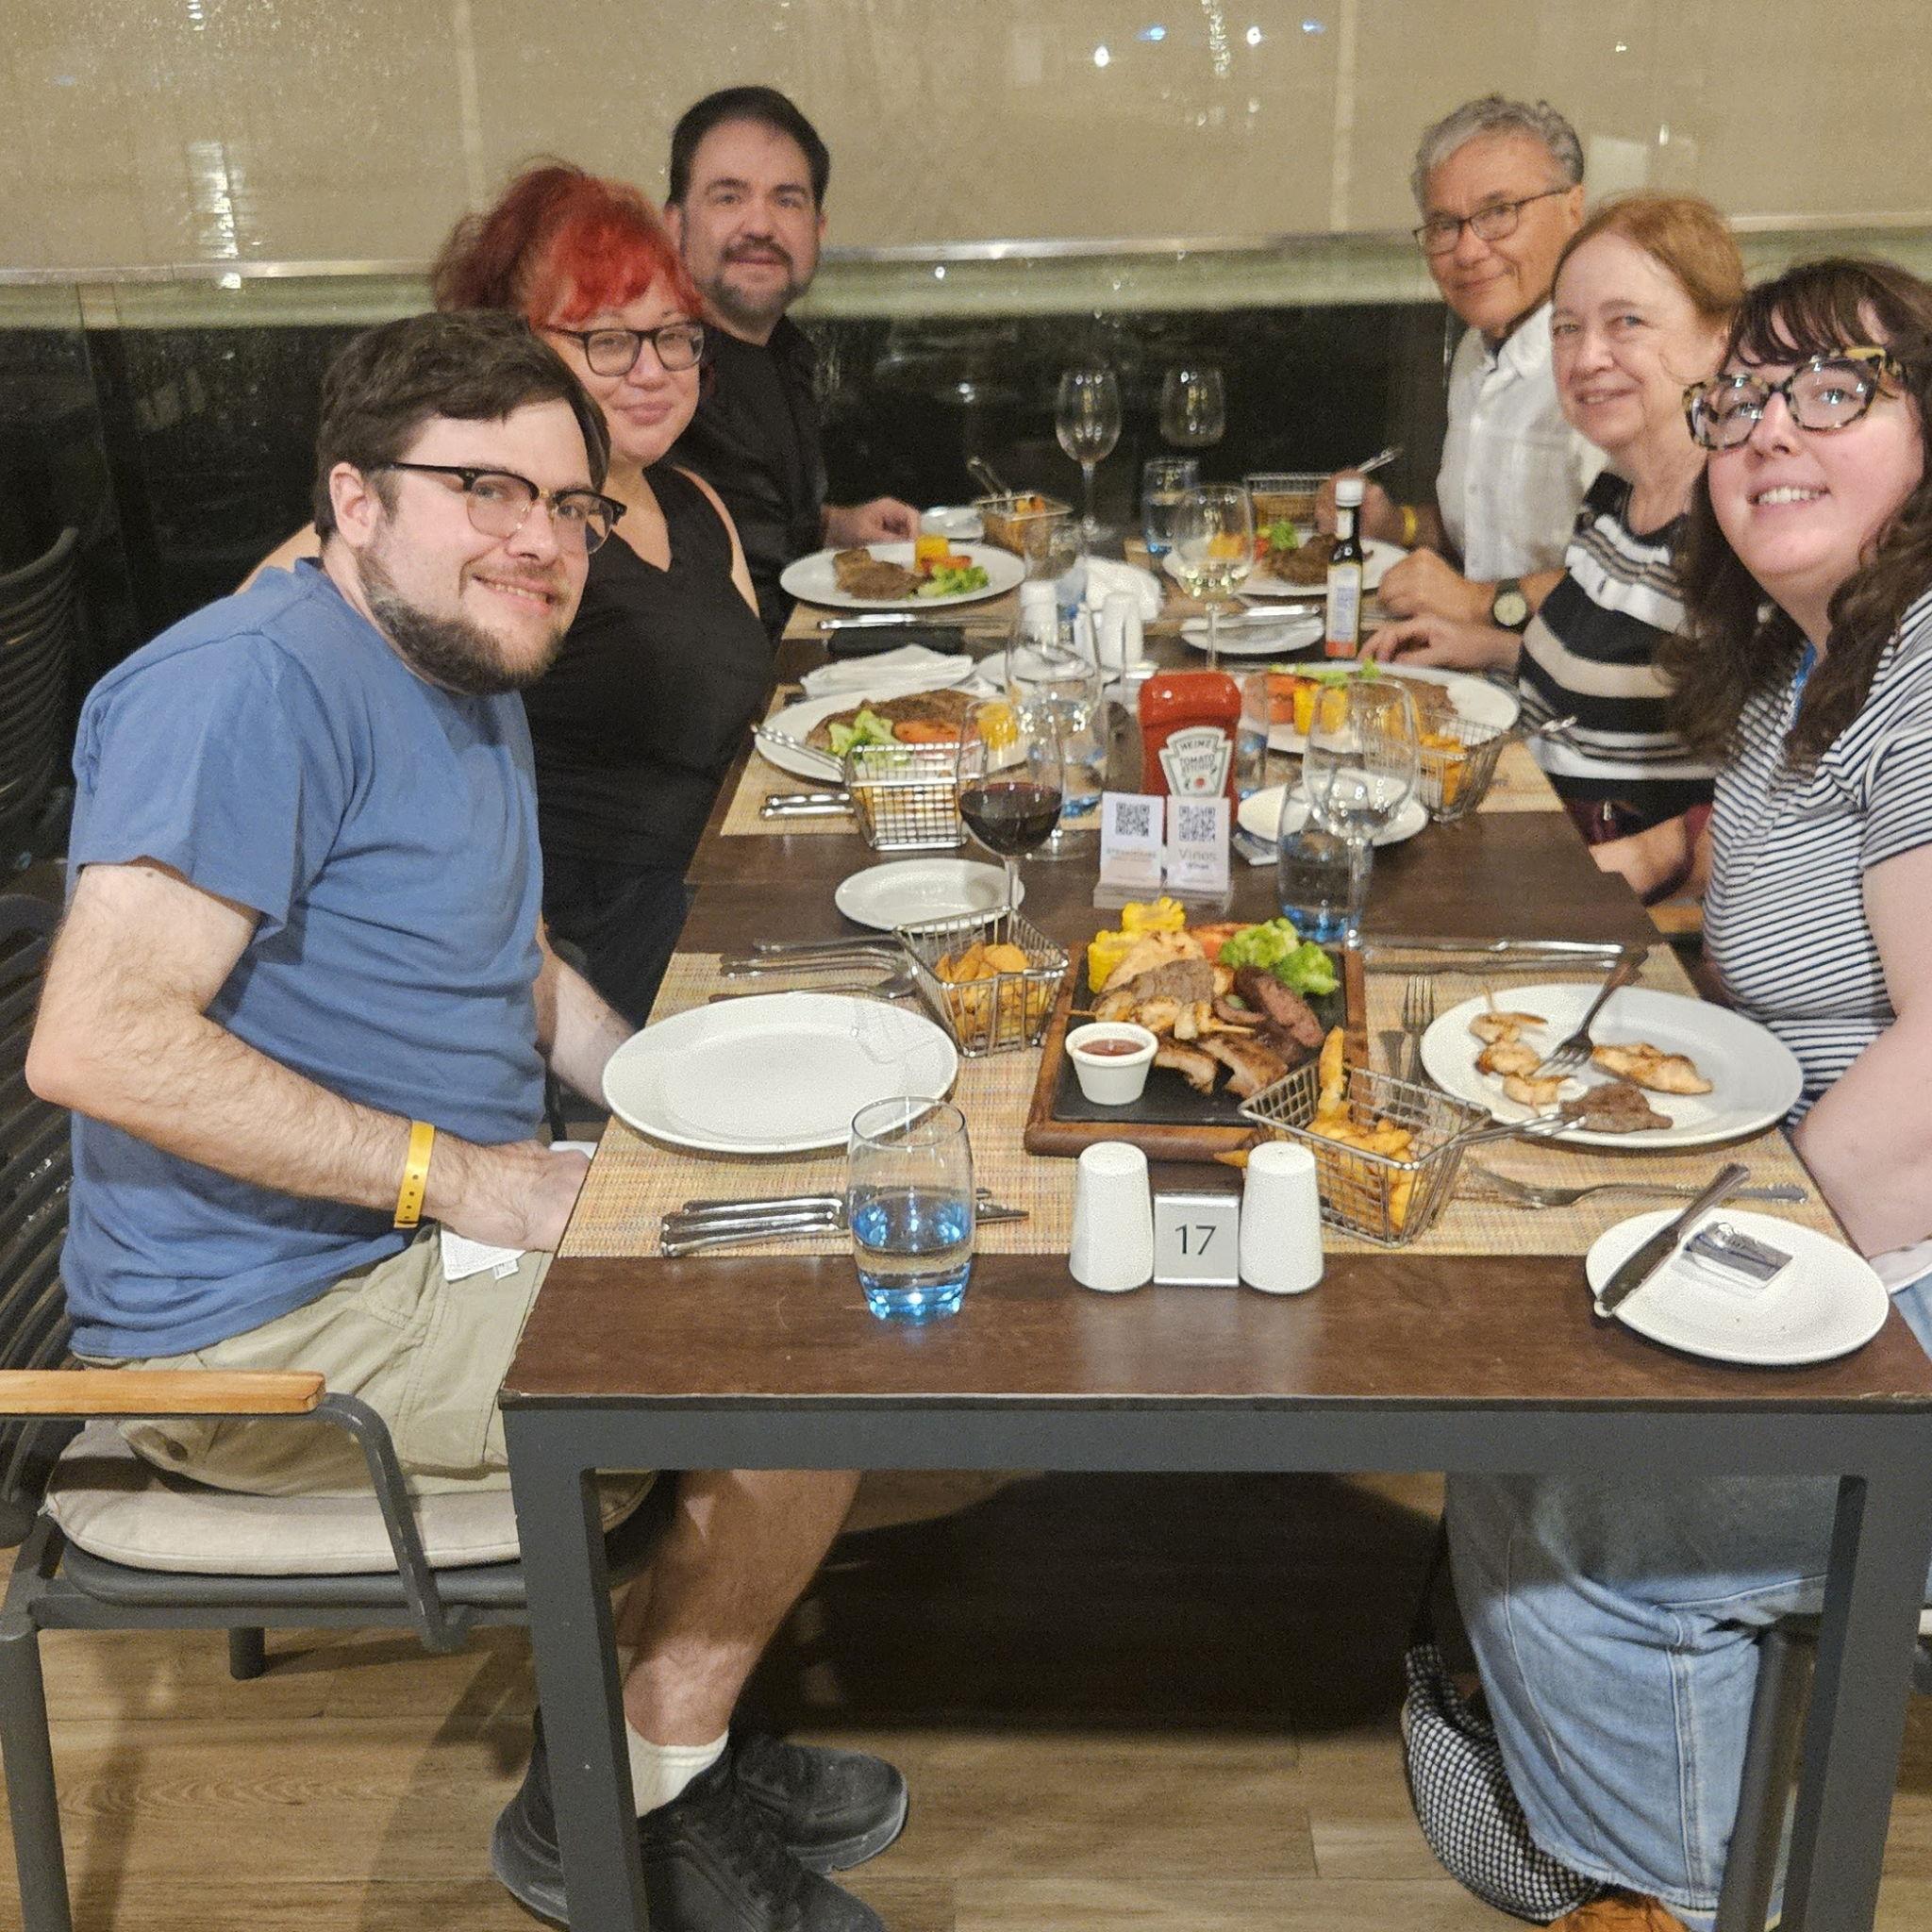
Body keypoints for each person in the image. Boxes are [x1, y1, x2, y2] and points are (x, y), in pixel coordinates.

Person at [32, 310, 904, 1932]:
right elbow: (96, 1039)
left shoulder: (458, 653)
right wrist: (467, 1181)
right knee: (820, 1336)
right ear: (355, 500)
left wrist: (661, 1098)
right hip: (264, 1339)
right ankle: (618, 1786)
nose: (538, 541)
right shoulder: (244, 687)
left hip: (420, 1252)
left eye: (566, 506)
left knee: (821, 1215)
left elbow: (503, 957)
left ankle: (672, 1732)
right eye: (483, 491)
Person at [1443, 259, 1932, 1932]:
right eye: (1738, 404)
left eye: (1831, 389)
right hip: (1857, 1232)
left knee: (1586, 1520)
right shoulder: (1812, 668)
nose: (1762, 434)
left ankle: (1661, 1890)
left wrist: (1710, 1261)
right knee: (1507, 1421)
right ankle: (1617, 1841)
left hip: (1903, 1280)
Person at [253, 163, 772, 1026]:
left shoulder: (692, 501)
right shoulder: (473, 531)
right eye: (607, 338)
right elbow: (265, 632)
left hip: (709, 893)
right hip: (587, 951)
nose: (652, 370)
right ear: (517, 353)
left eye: (674, 335)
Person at [1364, 193, 1740, 900]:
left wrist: (1648, 861)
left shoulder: (1735, 535)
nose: (1587, 357)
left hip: (1608, 895)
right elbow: (1622, 677)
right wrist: (1488, 647)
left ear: (1720, 338)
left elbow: (1792, 794)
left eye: (1626, 322)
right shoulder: (1615, 496)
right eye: (1567, 329)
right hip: (1524, 825)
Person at [1321, 95, 1600, 631]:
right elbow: (1488, 540)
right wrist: (1393, 524)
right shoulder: (1477, 349)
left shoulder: (1604, 365)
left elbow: (1644, 578)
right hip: (1479, 661)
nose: (1468, 251)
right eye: (1445, 225)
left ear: (1573, 209)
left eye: (1499, 213)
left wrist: (1477, 603)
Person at [664, 85, 918, 635]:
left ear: (818, 230)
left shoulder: (783, 351)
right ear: (675, 225)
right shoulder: (655, 380)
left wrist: (834, 526)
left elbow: (756, 520)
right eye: (728, 197)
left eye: (786, 200)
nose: (759, 225)